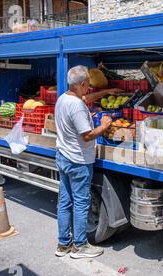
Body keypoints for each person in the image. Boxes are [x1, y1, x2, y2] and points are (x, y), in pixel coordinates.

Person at [54, 65, 121, 259]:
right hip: (78, 161)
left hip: (64, 156)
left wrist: (106, 92)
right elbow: (87, 135)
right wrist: (104, 125)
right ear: (81, 84)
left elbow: (85, 100)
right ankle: (80, 246)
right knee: (81, 203)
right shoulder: (75, 106)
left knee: (65, 202)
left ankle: (63, 244)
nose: (89, 89)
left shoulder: (63, 98)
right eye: (87, 86)